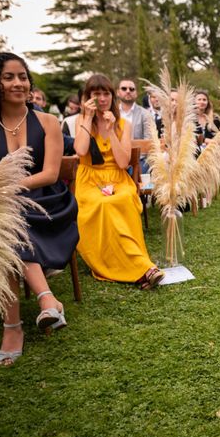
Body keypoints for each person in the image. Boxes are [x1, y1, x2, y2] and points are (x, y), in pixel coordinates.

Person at [0, 52, 79, 366]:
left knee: (6, 225)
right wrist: (1, 194)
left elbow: (50, 174)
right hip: (6, 208)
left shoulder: (49, 122)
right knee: (5, 225)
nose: (18, 83)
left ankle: (13, 328)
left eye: (22, 76)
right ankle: (47, 299)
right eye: (9, 77)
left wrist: (6, 188)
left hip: (49, 205)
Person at [74, 73, 163, 289]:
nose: (102, 99)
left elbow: (123, 162)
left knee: (121, 200)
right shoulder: (81, 121)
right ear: (88, 97)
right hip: (90, 179)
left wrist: (111, 130)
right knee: (101, 203)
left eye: (106, 94)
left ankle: (139, 266)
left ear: (112, 97)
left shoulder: (124, 123)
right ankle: (141, 269)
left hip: (117, 177)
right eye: (96, 94)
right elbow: (81, 150)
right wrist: (87, 118)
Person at [117, 78, 154, 172]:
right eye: (124, 88)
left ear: (136, 93)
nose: (128, 91)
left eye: (132, 89)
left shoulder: (145, 114)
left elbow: (148, 142)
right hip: (114, 160)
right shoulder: (111, 113)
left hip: (139, 160)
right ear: (118, 92)